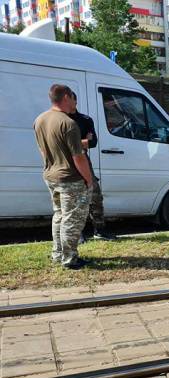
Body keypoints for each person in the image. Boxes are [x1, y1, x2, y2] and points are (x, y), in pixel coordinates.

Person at [33, 84, 93, 269]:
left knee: (59, 215)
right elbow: (78, 157)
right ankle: (69, 259)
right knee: (73, 218)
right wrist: (89, 180)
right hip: (70, 179)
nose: (74, 102)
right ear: (66, 97)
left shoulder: (40, 119)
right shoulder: (68, 123)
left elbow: (42, 150)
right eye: (72, 98)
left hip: (51, 176)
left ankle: (57, 253)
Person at [67, 91, 116, 241]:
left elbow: (93, 142)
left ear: (75, 101)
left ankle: (99, 230)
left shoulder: (85, 120)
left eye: (71, 101)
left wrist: (77, 142)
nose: (68, 104)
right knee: (73, 198)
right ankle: (78, 234)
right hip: (67, 161)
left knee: (95, 195)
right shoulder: (62, 120)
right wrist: (83, 141)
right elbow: (64, 144)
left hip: (83, 158)